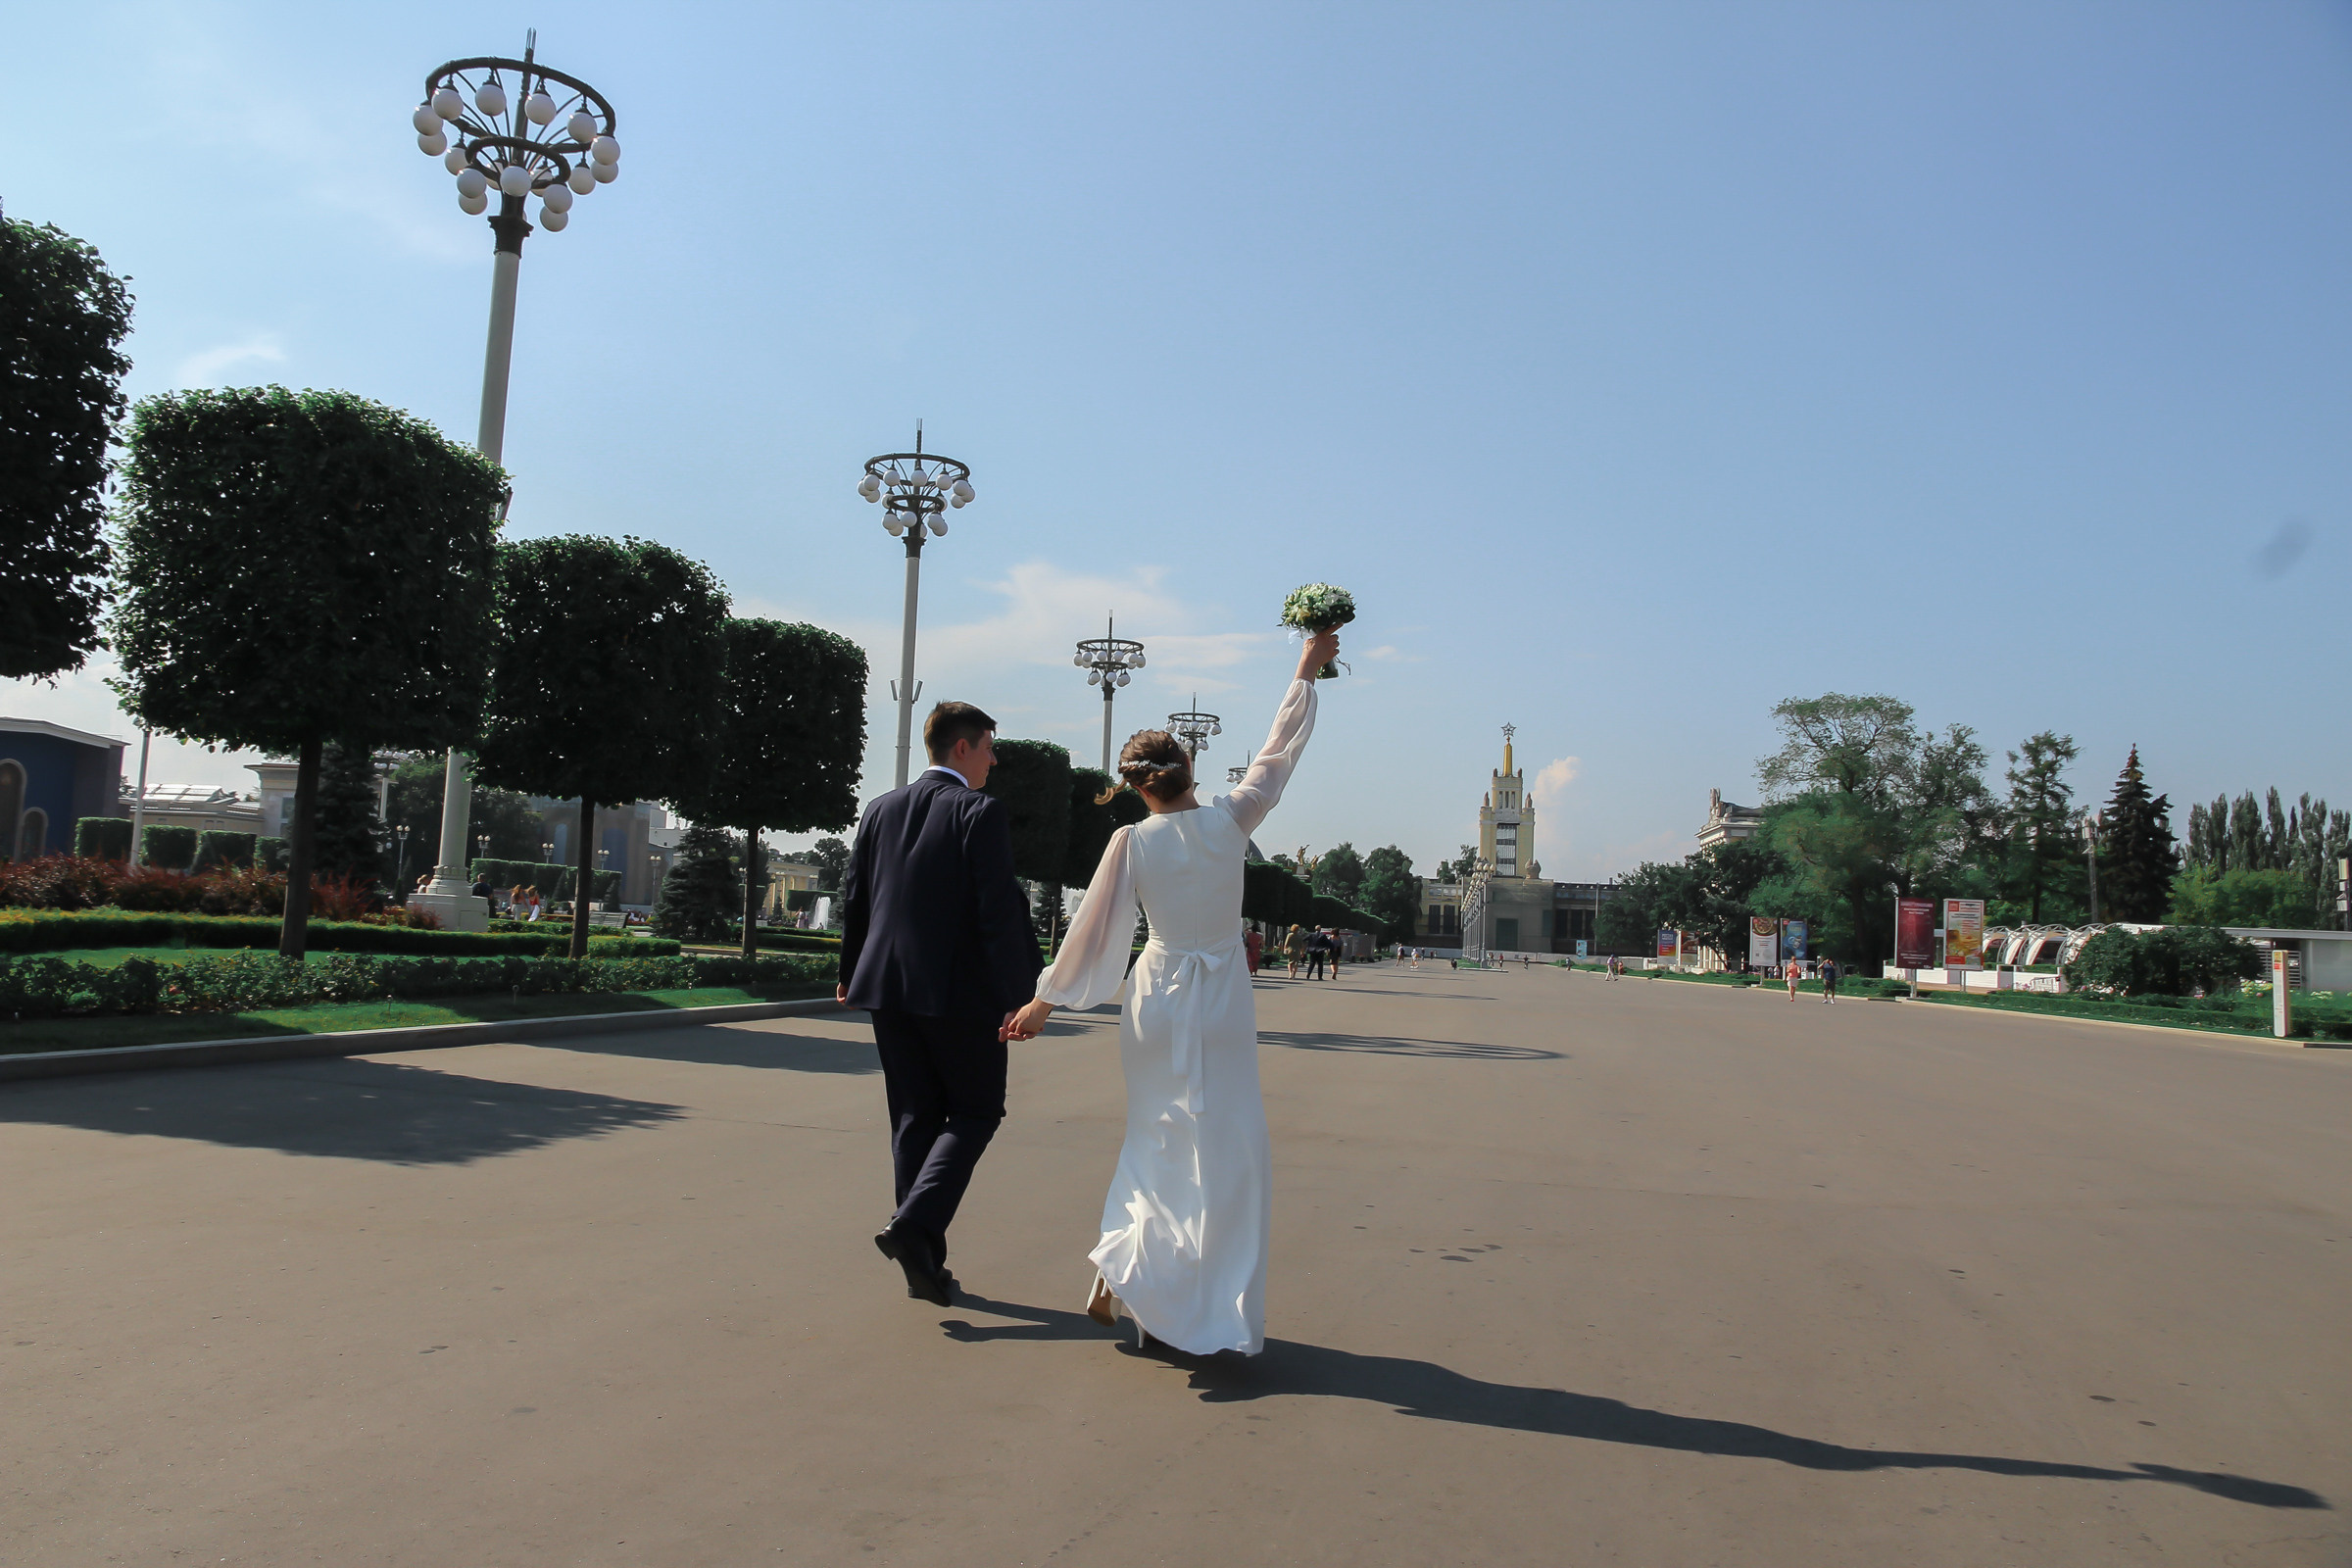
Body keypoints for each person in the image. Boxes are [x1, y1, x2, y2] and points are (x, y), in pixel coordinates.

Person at [1005, 626, 1339, 1355]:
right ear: (1190, 766)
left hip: (1156, 996)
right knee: (1225, 1146)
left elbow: (1094, 930)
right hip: (1220, 994)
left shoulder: (1130, 843)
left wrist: (1043, 1000)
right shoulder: (1231, 820)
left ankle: (1130, 1265)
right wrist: (1305, 673)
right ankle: (1204, 1303)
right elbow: (1278, 756)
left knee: (1157, 1137)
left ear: (1133, 785)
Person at [837, 700, 1042, 1307]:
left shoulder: (880, 808)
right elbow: (997, 910)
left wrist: (850, 971)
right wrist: (1023, 994)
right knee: (976, 1112)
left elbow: (856, 896)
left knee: (914, 1117)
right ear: (962, 749)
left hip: (886, 990)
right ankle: (914, 1223)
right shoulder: (978, 811)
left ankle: (924, 1262)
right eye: (987, 747)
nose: (993, 760)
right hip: (958, 993)